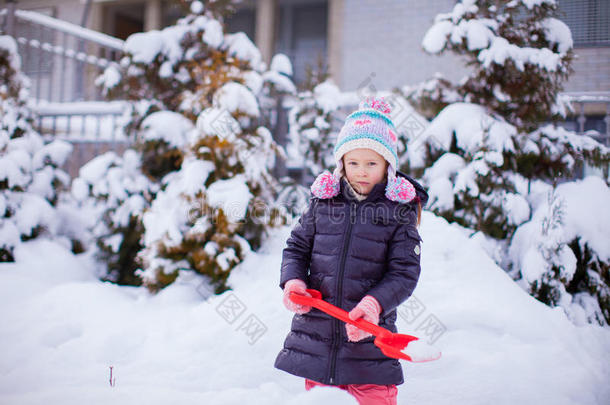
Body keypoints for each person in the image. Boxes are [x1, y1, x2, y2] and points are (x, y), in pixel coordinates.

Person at [274, 97, 429, 405]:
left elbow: (404, 273)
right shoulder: (323, 203)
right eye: (353, 162)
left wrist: (374, 305)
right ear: (341, 162)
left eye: (371, 163)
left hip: (369, 341)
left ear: (387, 165)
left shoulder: (398, 213)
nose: (361, 171)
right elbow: (296, 248)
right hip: (318, 338)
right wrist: (294, 282)